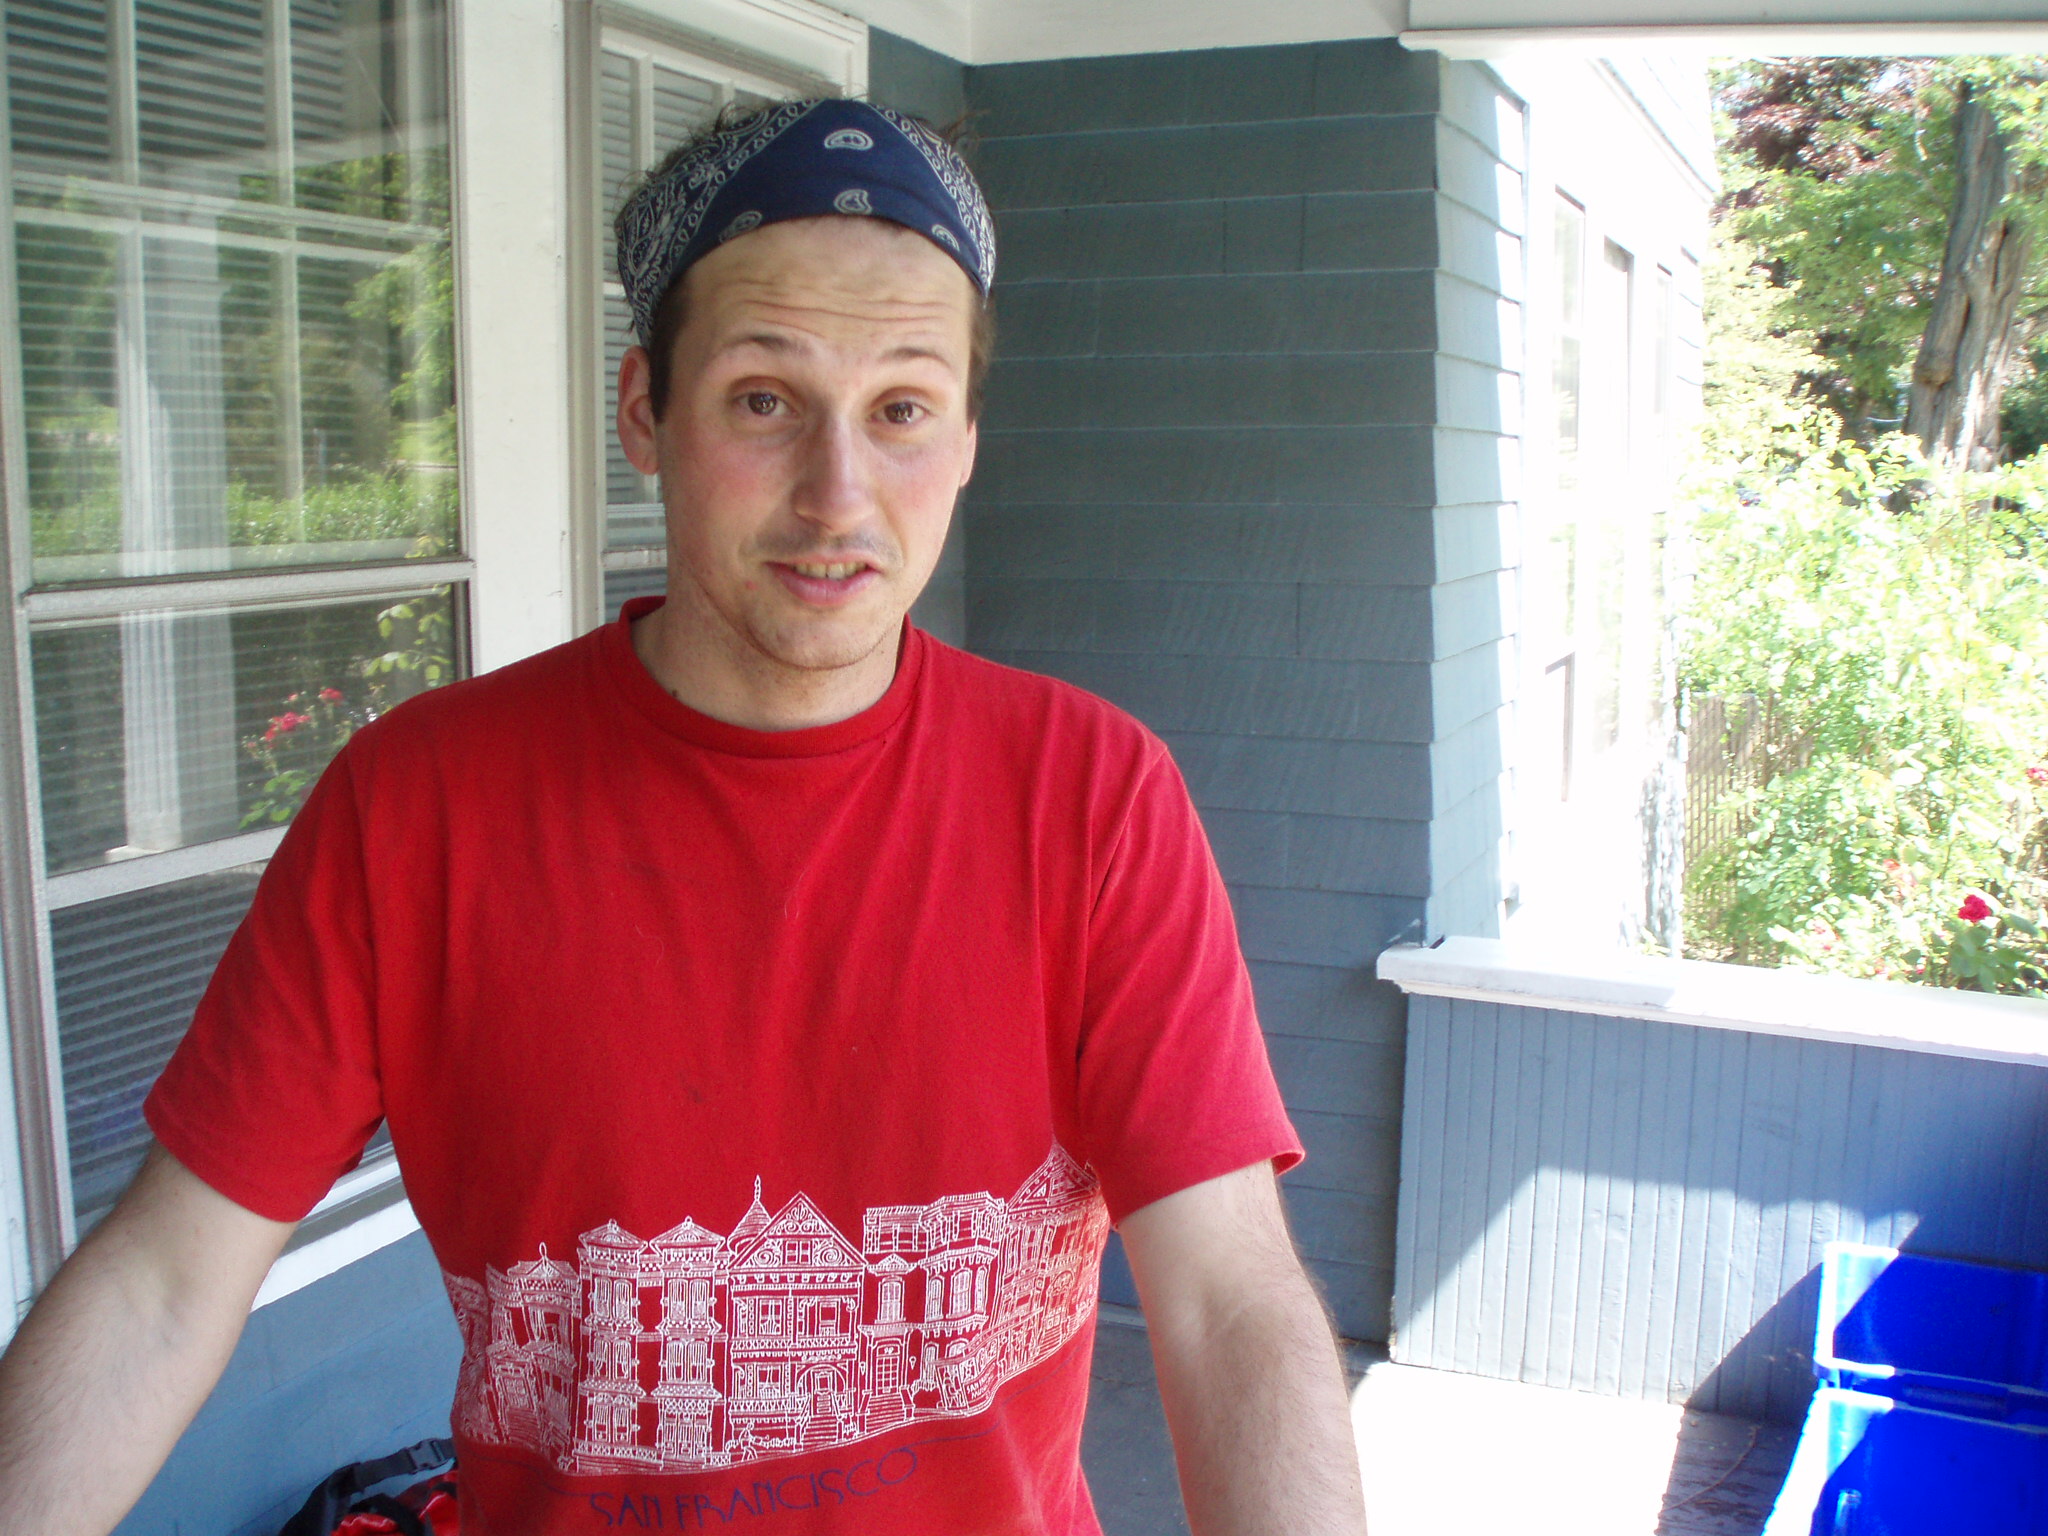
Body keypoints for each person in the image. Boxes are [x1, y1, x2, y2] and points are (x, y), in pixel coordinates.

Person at [0, 99, 1368, 1535]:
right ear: (646, 412)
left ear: (965, 437)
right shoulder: (418, 808)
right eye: (765, 400)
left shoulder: (1094, 801)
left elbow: (1226, 1304)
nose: (839, 497)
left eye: (902, 408)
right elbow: (161, 1287)